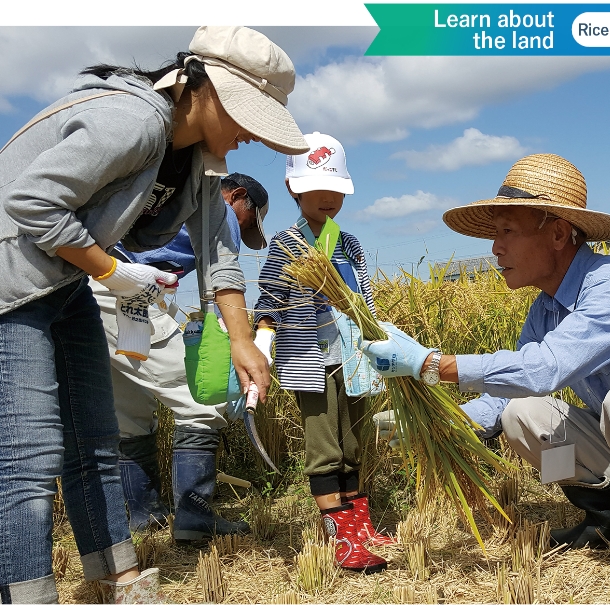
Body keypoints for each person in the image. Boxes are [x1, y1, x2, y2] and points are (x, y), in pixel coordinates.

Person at [0, 26, 307, 603]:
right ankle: (25, 593)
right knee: (30, 454)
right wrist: (111, 271)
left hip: (63, 282)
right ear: (206, 88)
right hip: (10, 283)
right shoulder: (135, 121)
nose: (250, 137)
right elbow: (29, 201)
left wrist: (241, 341)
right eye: (248, 116)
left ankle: (116, 577)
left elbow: (219, 254)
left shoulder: (198, 163)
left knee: (94, 437)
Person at [362, 154, 610, 586]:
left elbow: (545, 368)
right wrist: (443, 425)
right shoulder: (545, 310)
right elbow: (507, 398)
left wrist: (430, 365)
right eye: (495, 235)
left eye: (508, 232)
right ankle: (608, 516)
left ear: (557, 233)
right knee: (522, 417)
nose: (496, 248)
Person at [90, 173, 269, 541]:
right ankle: (193, 517)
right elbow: (218, 284)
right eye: (247, 221)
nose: (240, 230)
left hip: (91, 283)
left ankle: (145, 516)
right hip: (129, 291)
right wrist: (231, 349)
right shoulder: (217, 213)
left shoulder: (166, 195)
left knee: (130, 413)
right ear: (236, 197)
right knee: (200, 402)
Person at [253, 132, 391, 574]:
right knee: (325, 447)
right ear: (294, 189)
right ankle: (342, 541)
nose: (329, 198)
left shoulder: (349, 244)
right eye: (318, 189)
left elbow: (366, 302)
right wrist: (262, 343)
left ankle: (360, 528)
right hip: (309, 358)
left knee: (353, 443)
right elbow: (271, 297)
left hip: (353, 357)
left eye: (337, 190)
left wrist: (379, 347)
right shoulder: (287, 244)